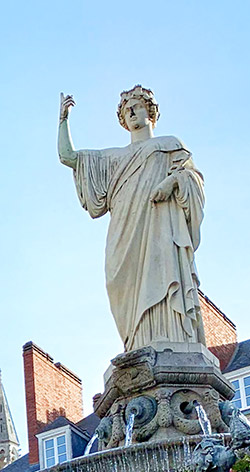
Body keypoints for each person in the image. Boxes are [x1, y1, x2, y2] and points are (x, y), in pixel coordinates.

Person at [58, 85, 207, 354]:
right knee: (121, 286)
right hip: (124, 235)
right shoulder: (115, 157)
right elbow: (69, 157)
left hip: (159, 228)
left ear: (150, 112)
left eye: (136, 107)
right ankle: (137, 344)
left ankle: (171, 336)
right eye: (126, 111)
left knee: (162, 273)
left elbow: (193, 180)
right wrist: (63, 121)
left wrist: (172, 181)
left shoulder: (170, 146)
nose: (131, 113)